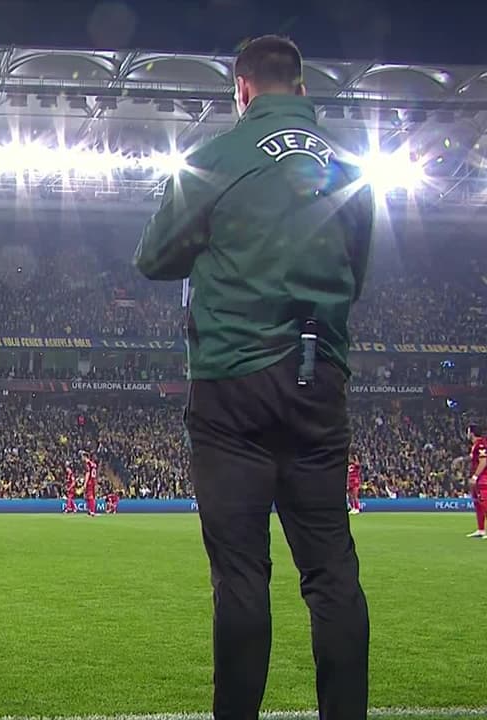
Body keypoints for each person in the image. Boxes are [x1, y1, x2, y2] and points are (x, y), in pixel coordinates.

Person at [134, 35, 372, 720]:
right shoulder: (348, 168)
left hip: (232, 386)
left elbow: (153, 257)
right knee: (332, 570)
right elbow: (355, 275)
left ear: (241, 90)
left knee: (240, 574)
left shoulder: (218, 158)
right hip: (318, 381)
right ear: (302, 88)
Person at [468, 424, 487, 538]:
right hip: (478, 478)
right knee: (478, 504)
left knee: (485, 503)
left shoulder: (481, 444)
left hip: (483, 478)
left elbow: (484, 461)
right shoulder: (476, 445)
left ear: (471, 433)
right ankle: (481, 530)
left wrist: (475, 476)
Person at [81, 450, 99, 517]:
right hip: (93, 481)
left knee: (89, 496)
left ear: (85, 456)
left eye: (82, 456)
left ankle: (92, 511)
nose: (81, 458)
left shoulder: (87, 463)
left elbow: (88, 473)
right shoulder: (93, 464)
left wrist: (85, 483)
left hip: (90, 481)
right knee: (91, 497)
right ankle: (90, 510)